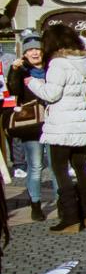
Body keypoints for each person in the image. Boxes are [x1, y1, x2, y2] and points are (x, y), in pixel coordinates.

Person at [26, 25, 86, 233]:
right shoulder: (83, 61)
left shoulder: (58, 63)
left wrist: (33, 83)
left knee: (60, 169)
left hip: (62, 124)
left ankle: (71, 218)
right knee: (81, 167)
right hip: (79, 122)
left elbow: (51, 94)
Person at [6, 33, 57, 222]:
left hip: (54, 124)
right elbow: (14, 91)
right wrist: (14, 71)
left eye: (37, 49)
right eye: (30, 50)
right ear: (25, 53)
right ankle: (35, 204)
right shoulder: (22, 70)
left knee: (56, 166)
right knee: (35, 166)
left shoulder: (53, 68)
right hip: (32, 126)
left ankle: (61, 202)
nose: (34, 53)